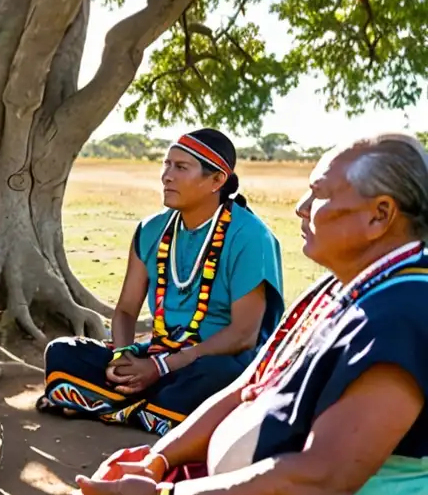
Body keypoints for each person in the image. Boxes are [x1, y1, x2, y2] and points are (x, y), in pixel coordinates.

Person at [63, 133, 428, 495]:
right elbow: (243, 391)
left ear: (379, 215)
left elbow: (322, 480)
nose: (301, 208)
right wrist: (157, 462)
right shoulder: (335, 291)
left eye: (318, 194)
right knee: (111, 481)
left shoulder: (404, 313)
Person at [38, 128, 284, 435]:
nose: (167, 176)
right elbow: (127, 310)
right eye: (166, 165)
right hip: (157, 354)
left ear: (217, 181)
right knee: (63, 352)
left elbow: (243, 335)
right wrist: (123, 356)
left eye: (181, 167)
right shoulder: (152, 230)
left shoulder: (250, 237)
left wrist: (162, 368)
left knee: (213, 378)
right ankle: (153, 410)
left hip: (211, 361)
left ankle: (115, 404)